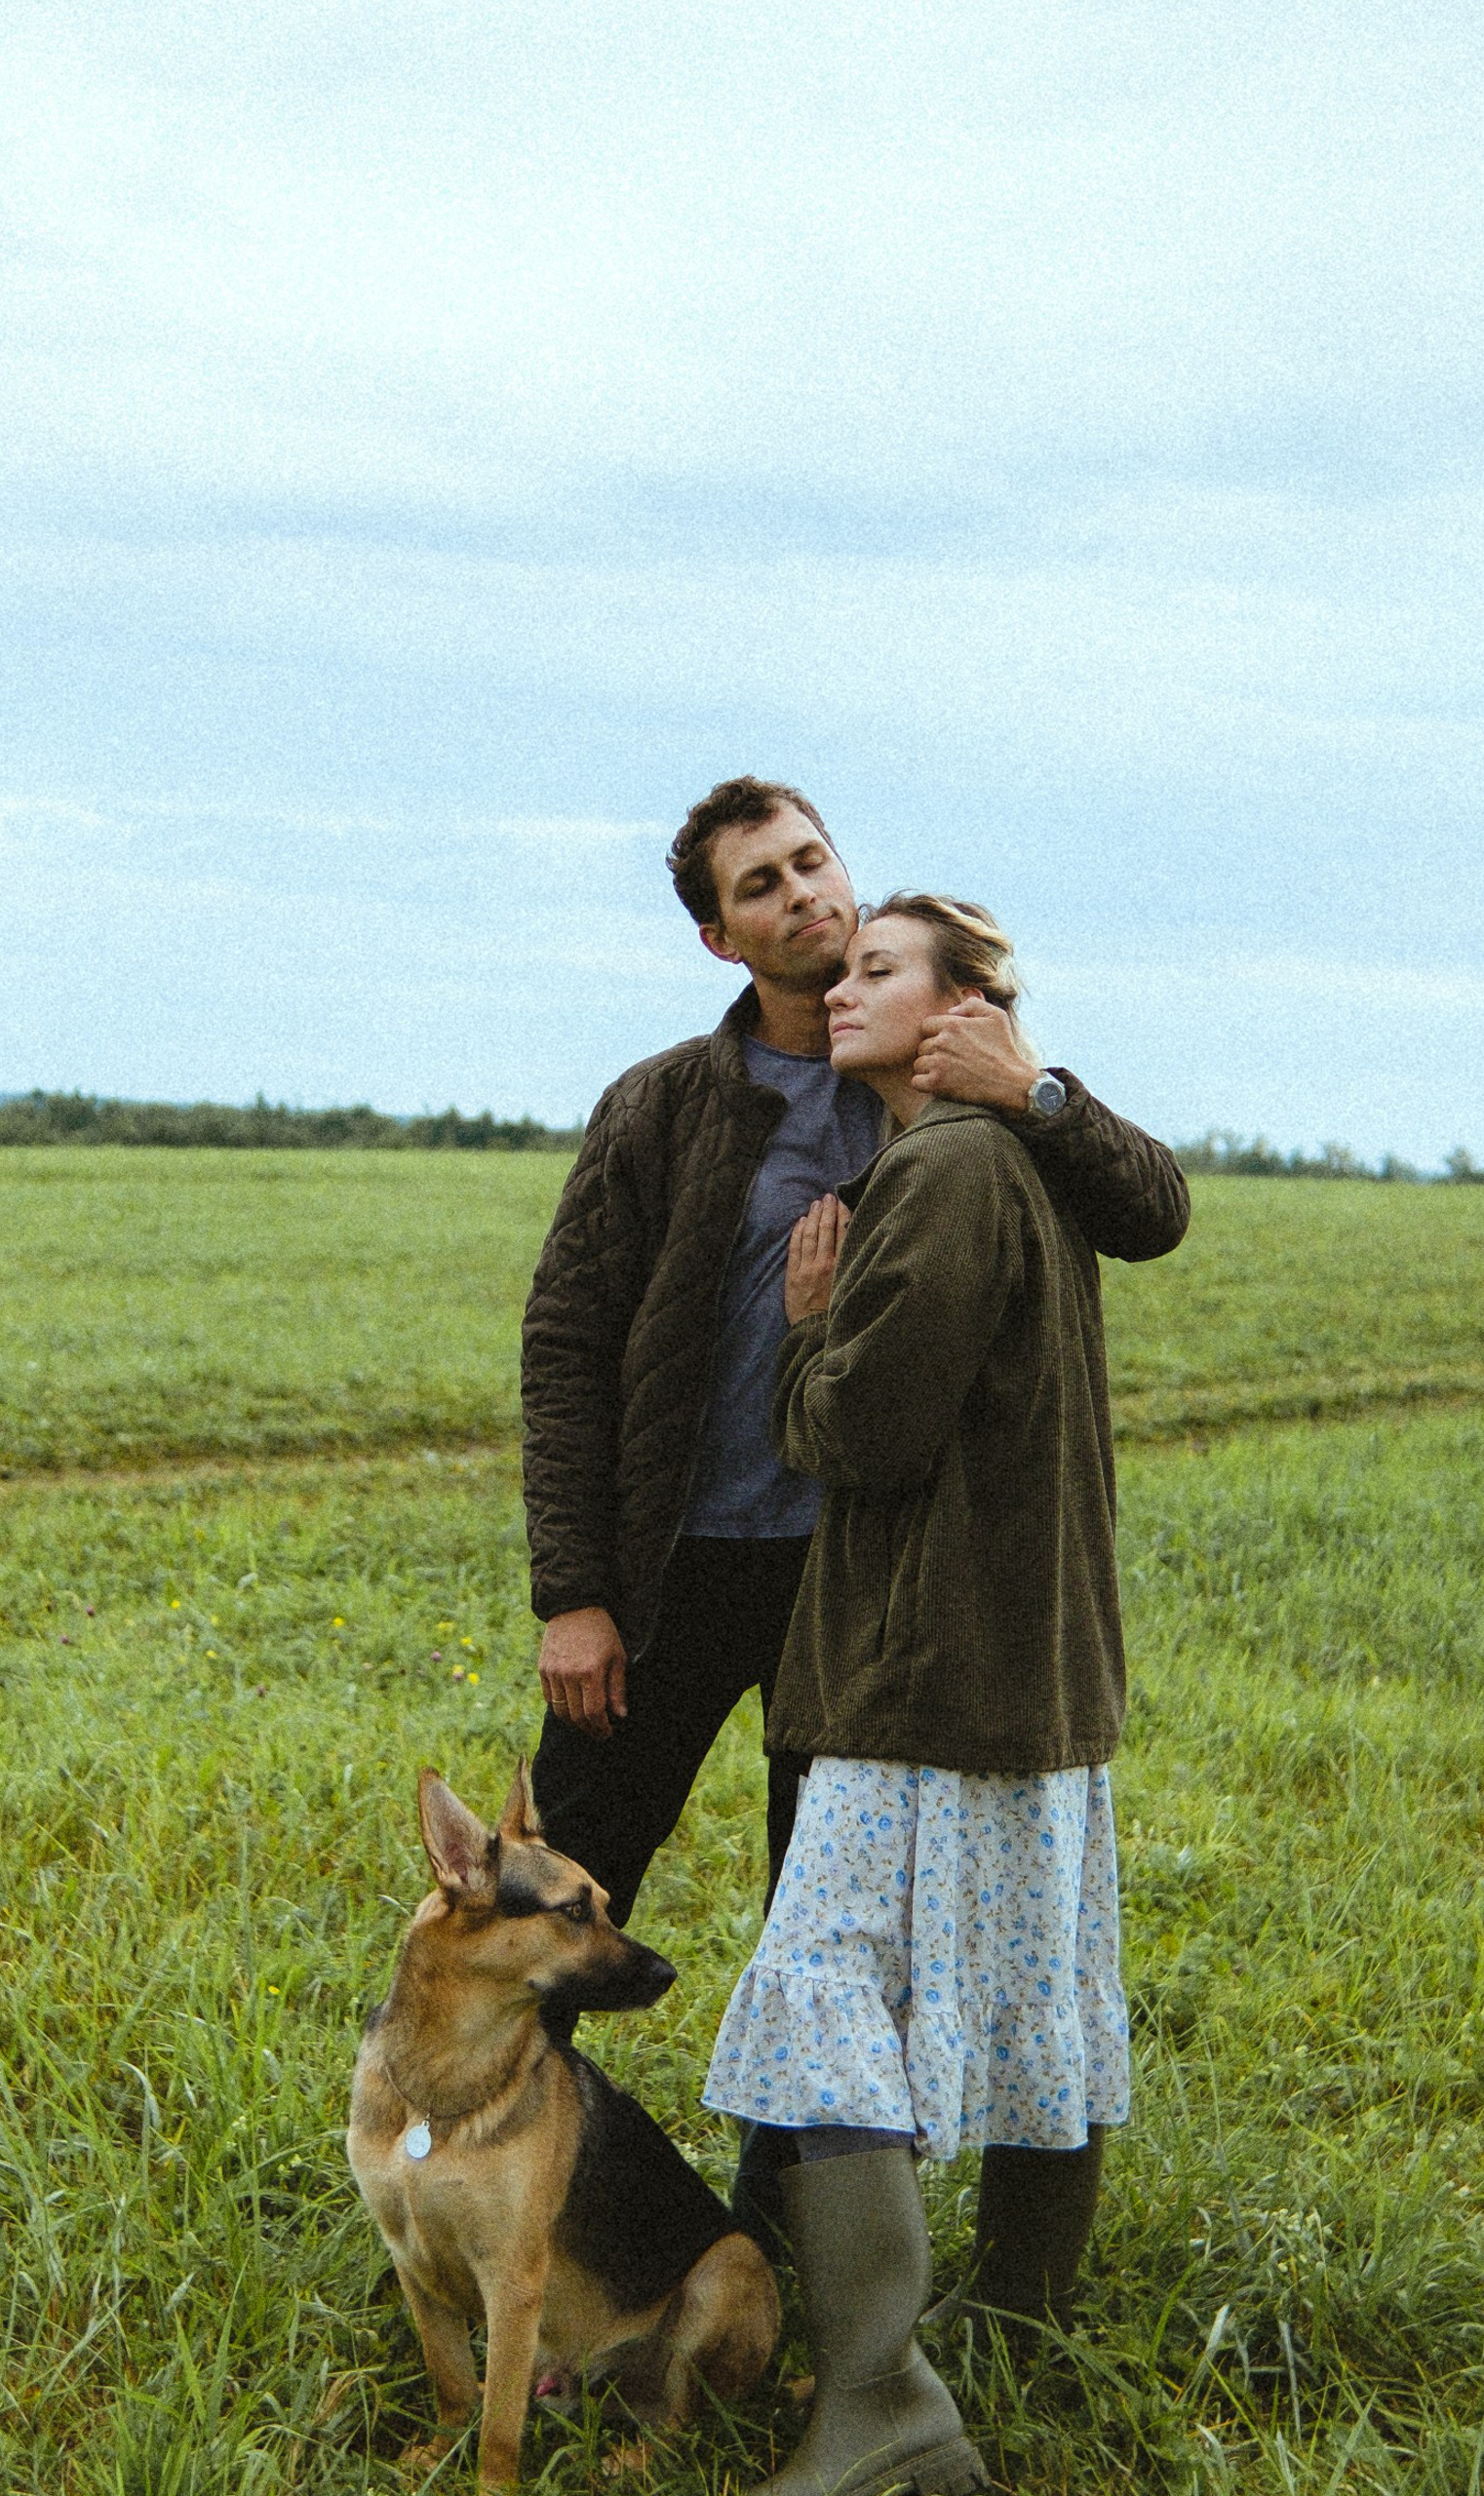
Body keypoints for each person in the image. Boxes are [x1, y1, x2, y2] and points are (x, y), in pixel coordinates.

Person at [520, 778, 1185, 2244]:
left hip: (859, 1585)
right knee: (548, 1903)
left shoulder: (960, 1078)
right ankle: (482, 2205)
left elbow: (1151, 1212)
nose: (806, 897)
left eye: (814, 861)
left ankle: (763, 2268)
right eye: (762, 885)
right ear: (720, 937)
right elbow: (567, 1341)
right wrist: (575, 1589)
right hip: (673, 1573)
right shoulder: (664, 1105)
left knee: (814, 1939)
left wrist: (1040, 1089)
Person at [701, 895, 1146, 2496]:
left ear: (967, 1012)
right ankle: (1021, 2321)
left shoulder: (950, 1170)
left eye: (881, 970)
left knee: (822, 1986)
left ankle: (885, 2399)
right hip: (1027, 1668)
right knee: (1039, 1967)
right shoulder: (1005, 1161)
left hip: (919, 1668)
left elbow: (866, 1434)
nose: (841, 989)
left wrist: (806, 1343)